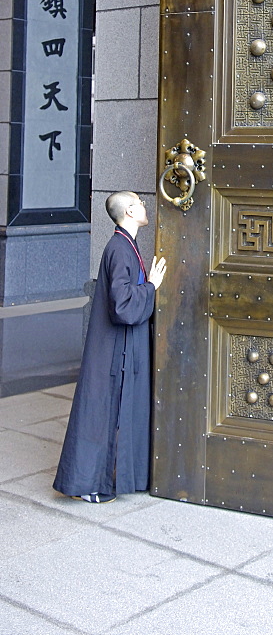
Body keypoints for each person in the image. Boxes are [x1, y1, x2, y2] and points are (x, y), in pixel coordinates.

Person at [53, 191, 166, 503]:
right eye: (140, 204)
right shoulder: (119, 248)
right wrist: (151, 287)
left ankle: (107, 479)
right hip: (114, 348)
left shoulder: (125, 245)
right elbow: (123, 306)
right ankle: (86, 484)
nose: (145, 206)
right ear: (130, 210)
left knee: (106, 412)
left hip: (118, 345)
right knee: (100, 413)